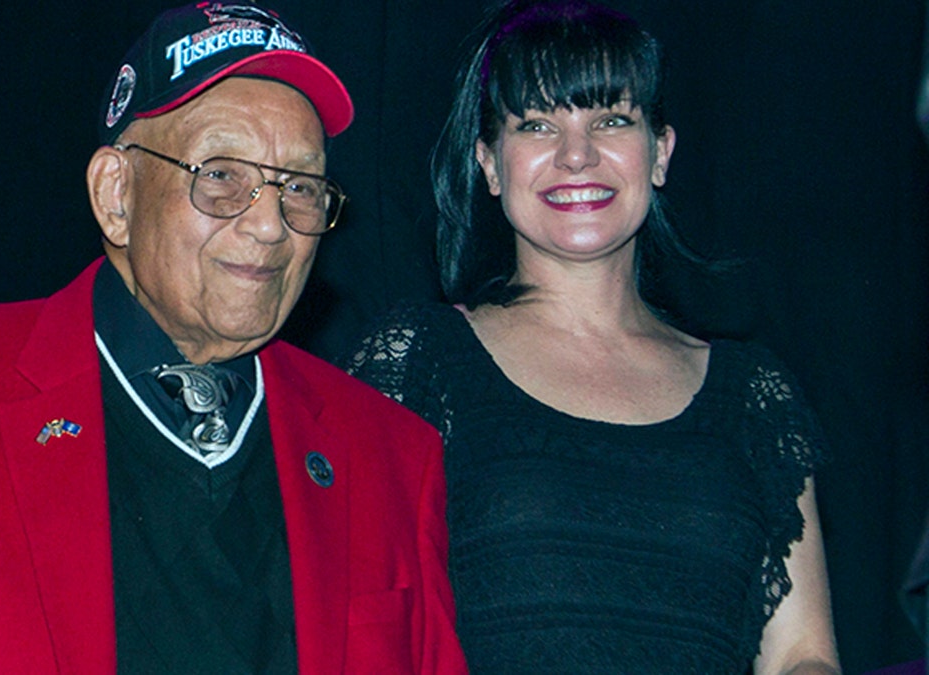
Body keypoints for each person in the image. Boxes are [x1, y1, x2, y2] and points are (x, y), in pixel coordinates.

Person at [0, 3, 466, 673]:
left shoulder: (391, 456)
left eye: (300, 187)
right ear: (116, 196)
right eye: (221, 176)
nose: (270, 225)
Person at [342, 1, 840, 672]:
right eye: (538, 124)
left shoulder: (754, 394)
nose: (577, 155)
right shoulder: (420, 359)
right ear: (490, 163)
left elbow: (801, 655)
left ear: (659, 152)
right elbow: (358, 619)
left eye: (610, 119)